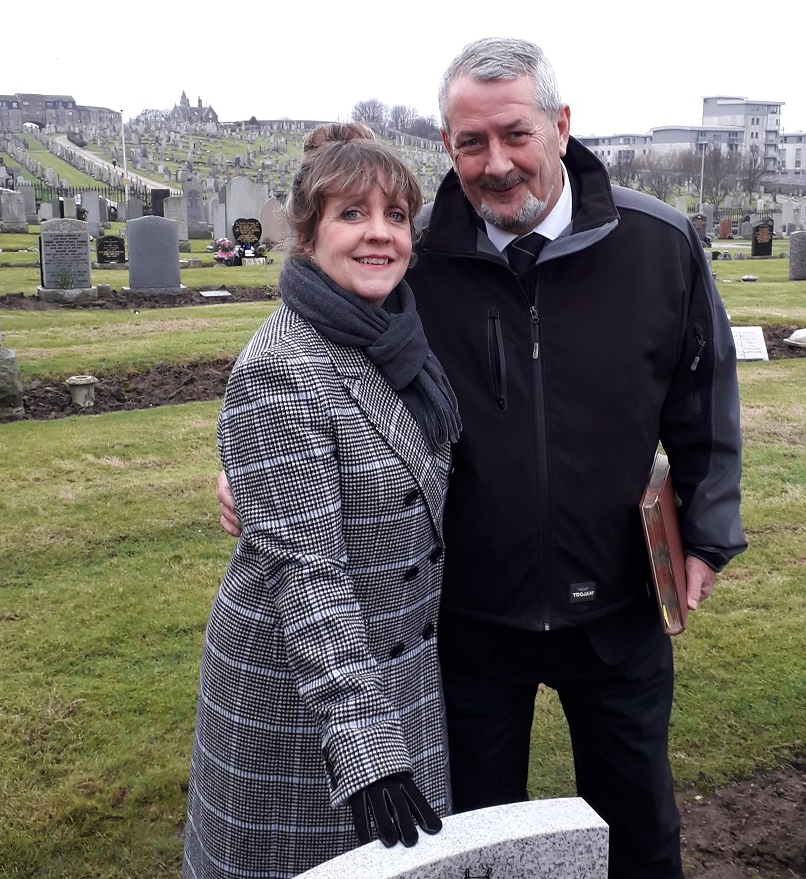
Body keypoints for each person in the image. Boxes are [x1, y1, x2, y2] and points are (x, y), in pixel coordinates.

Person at [219, 38, 745, 879]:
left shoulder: (659, 243)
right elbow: (319, 356)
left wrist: (711, 532)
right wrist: (249, 467)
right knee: (479, 841)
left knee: (639, 826)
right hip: (468, 616)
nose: (496, 163)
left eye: (515, 134)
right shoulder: (413, 253)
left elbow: (703, 394)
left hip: (616, 605)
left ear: (562, 127)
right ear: (446, 145)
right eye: (471, 142)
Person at [186, 123, 460, 879]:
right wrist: (364, 738)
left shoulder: (396, 333)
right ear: (305, 237)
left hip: (402, 668)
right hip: (301, 699)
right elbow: (309, 574)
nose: (379, 235)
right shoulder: (280, 369)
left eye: (395, 216)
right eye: (351, 214)